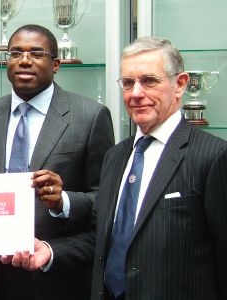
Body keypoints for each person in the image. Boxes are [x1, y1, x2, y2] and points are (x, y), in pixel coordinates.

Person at [0, 24, 115, 300]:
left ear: (56, 64)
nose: (25, 60)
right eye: (16, 53)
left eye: (37, 53)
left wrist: (64, 201)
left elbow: (107, 200)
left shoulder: (91, 116)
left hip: (58, 275)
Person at [91, 36, 227, 300]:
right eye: (128, 83)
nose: (136, 93)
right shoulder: (115, 156)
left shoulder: (213, 156)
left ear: (180, 84)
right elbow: (102, 239)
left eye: (149, 81)